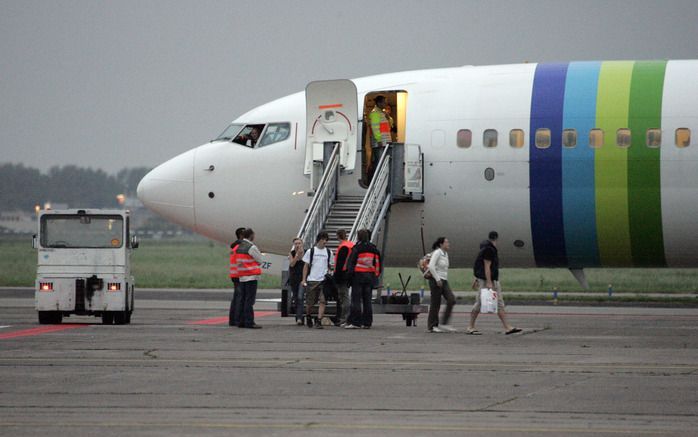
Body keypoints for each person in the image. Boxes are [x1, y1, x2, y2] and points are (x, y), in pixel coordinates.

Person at [468, 231, 522, 335]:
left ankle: (507, 327)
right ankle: (470, 326)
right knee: (479, 303)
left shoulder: (487, 249)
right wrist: (488, 282)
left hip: (493, 280)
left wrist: (477, 279)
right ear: (496, 239)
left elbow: (482, 266)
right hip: (487, 281)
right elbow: (486, 266)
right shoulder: (489, 250)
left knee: (499, 303)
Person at [345, 229, 382, 329]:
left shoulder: (357, 248)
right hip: (369, 277)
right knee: (367, 301)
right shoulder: (374, 249)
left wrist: (348, 277)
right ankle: (367, 322)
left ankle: (356, 322)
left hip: (358, 277)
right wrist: (375, 276)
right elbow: (378, 265)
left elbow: (351, 264)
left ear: (359, 237)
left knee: (356, 300)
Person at [301, 232, 333, 329]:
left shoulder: (328, 252)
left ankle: (319, 320)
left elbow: (331, 266)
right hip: (312, 279)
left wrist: (330, 273)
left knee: (323, 301)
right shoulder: (311, 251)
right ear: (318, 240)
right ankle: (308, 315)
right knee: (310, 302)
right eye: (323, 239)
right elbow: (306, 266)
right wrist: (304, 279)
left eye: (326, 240)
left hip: (323, 280)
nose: (324, 241)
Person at [426, 237, 456, 333]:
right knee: (435, 303)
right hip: (436, 280)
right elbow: (431, 266)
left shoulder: (445, 254)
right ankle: (432, 325)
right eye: (446, 242)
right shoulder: (437, 252)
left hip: (444, 280)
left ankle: (444, 323)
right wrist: (437, 279)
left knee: (451, 299)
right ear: (441, 244)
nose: (448, 244)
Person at [236, 228, 263, 329]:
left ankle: (241, 321)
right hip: (251, 276)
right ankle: (249, 322)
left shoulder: (239, 247)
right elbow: (260, 260)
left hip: (242, 276)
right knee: (249, 301)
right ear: (251, 235)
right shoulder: (251, 247)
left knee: (242, 299)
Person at [333, 229, 354, 327]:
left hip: (342, 274)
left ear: (338, 236)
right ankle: (345, 318)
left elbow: (340, 264)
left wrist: (336, 277)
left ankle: (345, 318)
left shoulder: (343, 247)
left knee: (344, 297)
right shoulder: (350, 245)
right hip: (349, 273)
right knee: (345, 296)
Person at [368, 95, 392, 180]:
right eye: (384, 102)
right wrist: (379, 139)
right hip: (380, 142)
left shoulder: (382, 113)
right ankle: (376, 180)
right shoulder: (375, 113)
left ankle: (381, 179)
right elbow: (375, 128)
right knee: (378, 162)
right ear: (379, 103)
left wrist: (388, 117)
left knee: (383, 162)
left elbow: (390, 126)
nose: (386, 104)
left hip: (385, 141)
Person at [228, 227, 246, 326]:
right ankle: (237, 319)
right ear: (241, 235)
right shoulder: (240, 247)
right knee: (240, 298)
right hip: (240, 275)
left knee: (236, 297)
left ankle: (233, 319)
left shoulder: (235, 246)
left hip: (235, 274)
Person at [288, 237, 306, 326]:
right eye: (296, 244)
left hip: (303, 279)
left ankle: (299, 318)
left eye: (299, 243)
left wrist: (301, 254)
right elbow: (292, 264)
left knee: (300, 297)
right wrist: (296, 255)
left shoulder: (306, 252)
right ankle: (299, 317)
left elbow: (306, 263)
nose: (297, 245)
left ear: (302, 244)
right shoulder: (291, 253)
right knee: (296, 298)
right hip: (294, 279)